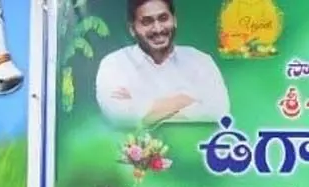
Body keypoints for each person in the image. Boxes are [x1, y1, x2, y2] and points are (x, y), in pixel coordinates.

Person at [96, 0, 230, 127]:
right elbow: (119, 115)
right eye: (147, 22)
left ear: (174, 20)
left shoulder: (200, 61)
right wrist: (183, 100)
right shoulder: (114, 64)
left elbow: (219, 110)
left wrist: (142, 106)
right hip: (134, 150)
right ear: (132, 29)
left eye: (163, 18)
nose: (158, 29)